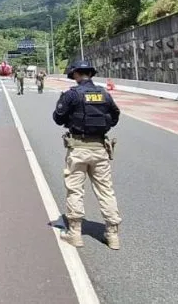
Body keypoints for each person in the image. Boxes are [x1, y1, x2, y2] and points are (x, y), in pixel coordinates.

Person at [53, 60, 122, 250]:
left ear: (75, 74)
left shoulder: (72, 95)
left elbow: (58, 118)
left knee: (75, 189)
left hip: (78, 148)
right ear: (91, 73)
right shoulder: (104, 94)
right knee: (106, 190)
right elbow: (115, 116)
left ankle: (75, 234)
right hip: (100, 147)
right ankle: (113, 235)